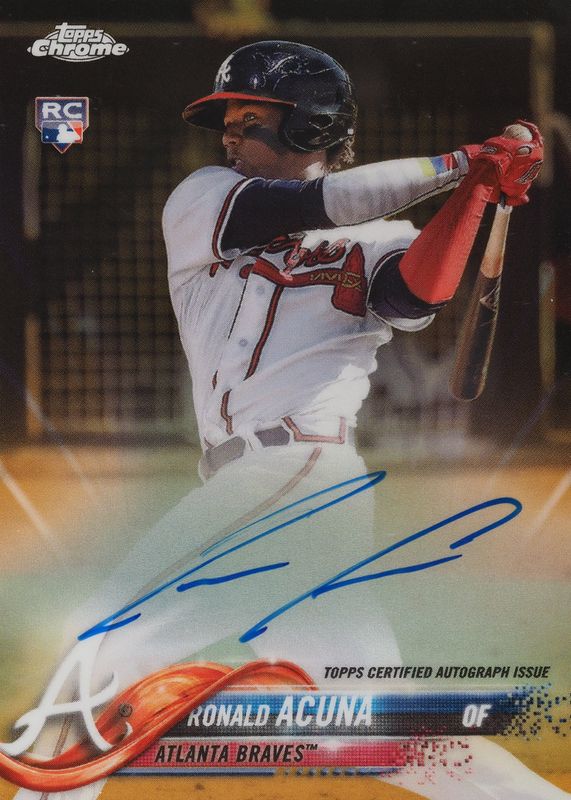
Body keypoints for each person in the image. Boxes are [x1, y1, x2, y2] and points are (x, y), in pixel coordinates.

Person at [10, 39, 567, 800]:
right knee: (379, 734)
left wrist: (477, 192)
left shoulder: (382, 239)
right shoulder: (204, 199)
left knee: (100, 653)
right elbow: (318, 204)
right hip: (269, 485)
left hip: (294, 470)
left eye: (249, 120)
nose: (229, 137)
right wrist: (467, 161)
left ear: (310, 124)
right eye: (228, 123)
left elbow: (416, 295)